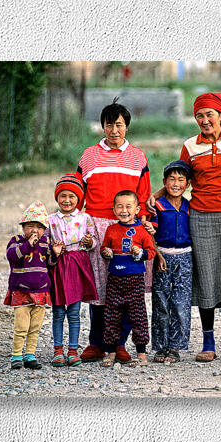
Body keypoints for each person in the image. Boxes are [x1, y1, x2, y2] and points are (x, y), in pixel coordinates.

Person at [152, 92, 221, 362]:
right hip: (200, 217)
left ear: (220, 115)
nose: (204, 120)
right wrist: (153, 198)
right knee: (206, 279)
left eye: (209, 114)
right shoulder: (190, 146)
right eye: (199, 115)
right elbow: (178, 179)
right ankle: (208, 342)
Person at [75, 98, 153, 364]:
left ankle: (119, 343)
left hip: (128, 229)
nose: (114, 131)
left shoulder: (138, 157)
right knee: (99, 287)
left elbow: (142, 195)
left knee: (128, 286)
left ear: (126, 127)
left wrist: (141, 225)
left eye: (119, 125)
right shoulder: (89, 155)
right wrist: (78, 225)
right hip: (97, 227)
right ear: (103, 127)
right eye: (109, 125)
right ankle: (97, 343)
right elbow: (78, 193)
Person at [99, 190, 157, 367]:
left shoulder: (142, 230)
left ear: (137, 209)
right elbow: (104, 249)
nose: (124, 210)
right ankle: (110, 353)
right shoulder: (111, 229)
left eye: (128, 206)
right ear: (114, 210)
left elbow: (151, 252)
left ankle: (141, 355)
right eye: (119, 206)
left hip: (135, 281)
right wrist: (106, 253)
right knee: (111, 317)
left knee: (138, 317)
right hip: (115, 281)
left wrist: (140, 253)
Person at [47, 174, 98, 367]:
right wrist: (53, 250)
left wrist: (89, 242)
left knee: (74, 312)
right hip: (60, 267)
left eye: (72, 196)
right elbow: (45, 244)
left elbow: (93, 241)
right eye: (63, 196)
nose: (67, 200)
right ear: (57, 198)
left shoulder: (85, 218)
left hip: (77, 266)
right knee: (58, 311)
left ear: (79, 199)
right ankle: (58, 351)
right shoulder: (51, 220)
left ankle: (73, 350)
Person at [150, 160, 193, 363]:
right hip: (162, 257)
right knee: (161, 301)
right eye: (171, 179)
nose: (176, 184)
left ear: (188, 184)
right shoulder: (157, 206)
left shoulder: (189, 206)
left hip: (184, 257)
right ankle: (160, 346)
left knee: (180, 302)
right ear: (164, 182)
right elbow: (150, 233)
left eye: (181, 180)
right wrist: (157, 255)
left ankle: (175, 347)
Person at [3, 201, 52, 370]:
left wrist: (57, 254)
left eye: (39, 227)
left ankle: (30, 355)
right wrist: (27, 245)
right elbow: (12, 257)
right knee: (21, 326)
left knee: (35, 327)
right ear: (23, 227)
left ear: (44, 229)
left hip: (41, 290)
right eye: (30, 226)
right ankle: (16, 355)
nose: (35, 231)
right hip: (21, 290)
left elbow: (49, 263)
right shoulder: (16, 241)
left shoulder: (46, 242)